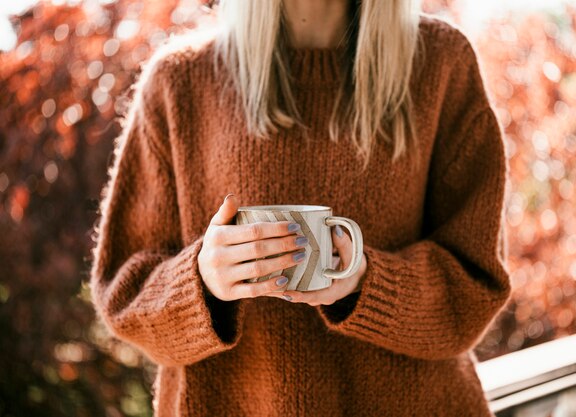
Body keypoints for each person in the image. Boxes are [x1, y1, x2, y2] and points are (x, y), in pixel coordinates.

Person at [89, 0, 512, 416]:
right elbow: (124, 291)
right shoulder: (179, 82)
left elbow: (475, 284)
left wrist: (366, 283)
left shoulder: (440, 62)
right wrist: (200, 281)